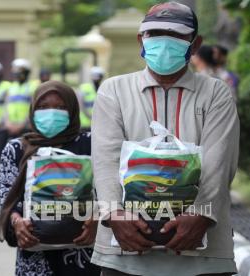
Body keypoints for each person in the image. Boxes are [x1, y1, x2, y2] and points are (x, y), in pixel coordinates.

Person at [92, 2, 239, 276]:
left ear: (195, 45)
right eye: (154, 34)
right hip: (126, 249)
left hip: (202, 253)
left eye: (177, 36)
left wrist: (200, 215)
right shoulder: (114, 91)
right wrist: (114, 214)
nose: (164, 43)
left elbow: (219, 163)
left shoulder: (215, 93)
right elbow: (105, 161)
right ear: (141, 40)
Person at [0, 80, 100, 276]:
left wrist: (98, 218)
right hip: (35, 254)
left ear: (72, 110)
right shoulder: (17, 149)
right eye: (43, 107)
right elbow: (5, 197)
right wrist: (17, 221)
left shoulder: (91, 144)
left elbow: (111, 188)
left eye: (60, 107)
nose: (51, 113)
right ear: (33, 109)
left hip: (85, 254)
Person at [6, 58, 39, 139]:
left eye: (19, 72)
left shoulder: (33, 86)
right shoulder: (11, 87)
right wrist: (8, 123)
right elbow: (6, 106)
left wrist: (22, 125)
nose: (16, 74)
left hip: (27, 127)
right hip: (11, 127)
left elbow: (34, 108)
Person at [78, 66, 104, 132]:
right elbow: (80, 105)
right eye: (94, 75)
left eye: (98, 75)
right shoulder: (84, 87)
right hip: (85, 124)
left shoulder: (104, 88)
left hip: (99, 124)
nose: (96, 78)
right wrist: (90, 117)